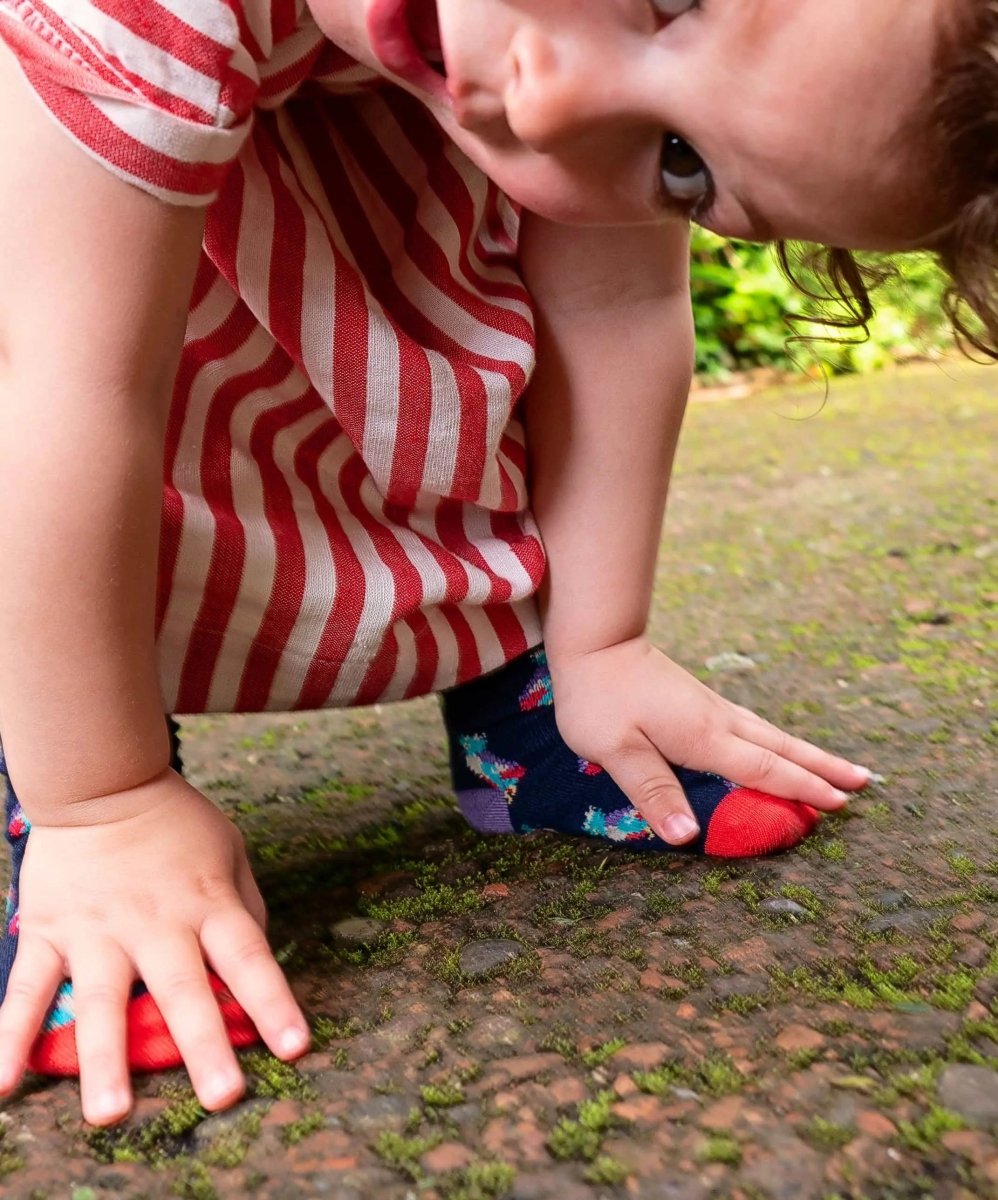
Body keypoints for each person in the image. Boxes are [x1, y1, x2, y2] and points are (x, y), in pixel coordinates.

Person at [0, 0, 994, 1127]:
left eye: (679, 164)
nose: (550, 100)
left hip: (343, 262)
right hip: (67, 329)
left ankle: (524, 693)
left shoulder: (543, 87)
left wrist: (601, 641)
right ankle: (68, 772)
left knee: (473, 332)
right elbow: (64, 387)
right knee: (69, 420)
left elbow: (615, 301)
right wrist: (102, 800)